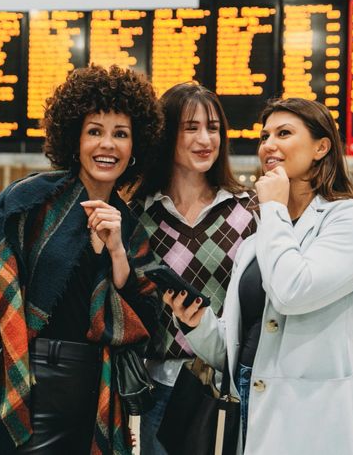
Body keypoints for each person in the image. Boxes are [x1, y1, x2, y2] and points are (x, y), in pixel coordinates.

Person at [0, 65, 163, 454]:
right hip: (35, 383)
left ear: (134, 146)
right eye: (95, 131)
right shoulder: (35, 202)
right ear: (74, 138)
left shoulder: (130, 224)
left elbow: (145, 317)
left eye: (120, 134)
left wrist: (116, 252)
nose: (107, 145)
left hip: (99, 392)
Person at [165, 98, 353, 454]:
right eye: (265, 135)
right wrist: (198, 323)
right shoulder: (257, 240)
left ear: (321, 147)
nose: (269, 145)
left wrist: (272, 207)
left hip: (311, 413)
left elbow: (292, 292)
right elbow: (231, 348)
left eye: (284, 133)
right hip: (250, 404)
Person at [131, 83, 256, 455]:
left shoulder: (248, 210)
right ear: (167, 133)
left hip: (228, 388)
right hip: (161, 388)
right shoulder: (139, 212)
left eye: (213, 127)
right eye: (191, 127)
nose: (205, 139)